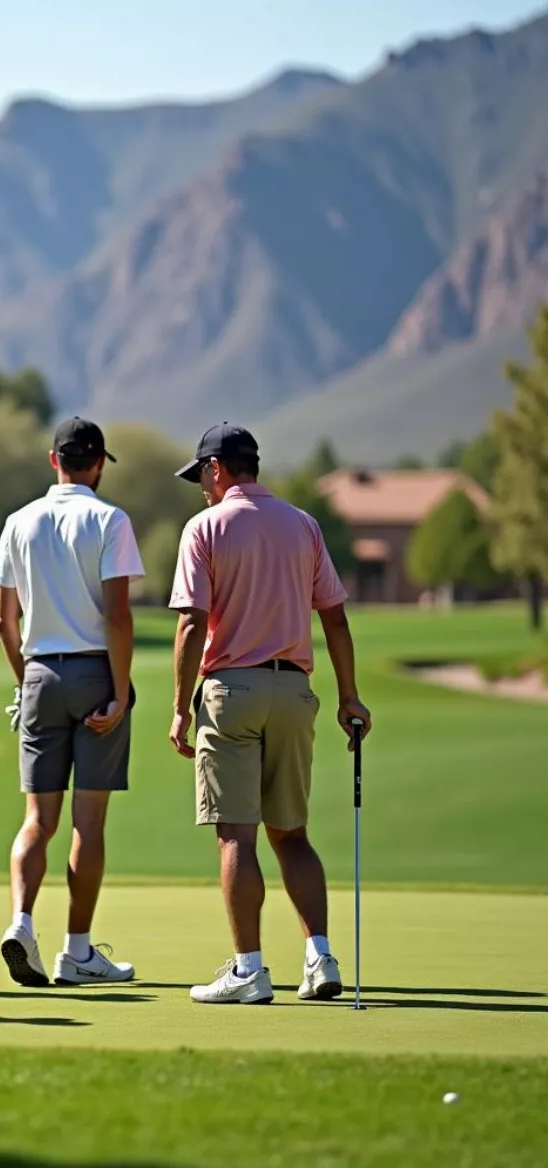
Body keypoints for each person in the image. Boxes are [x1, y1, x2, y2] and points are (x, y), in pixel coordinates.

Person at [167, 423, 372, 1005]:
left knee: (237, 835)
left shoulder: (205, 527)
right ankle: (321, 959)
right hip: (295, 692)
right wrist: (349, 697)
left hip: (231, 691)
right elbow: (334, 617)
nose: (201, 489)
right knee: (293, 835)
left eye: (201, 477)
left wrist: (180, 709)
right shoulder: (303, 525)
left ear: (217, 470)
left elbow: (190, 623)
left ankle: (249, 970)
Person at [0, 418, 144, 987]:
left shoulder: (18, 522)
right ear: (98, 463)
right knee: (88, 823)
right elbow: (119, 616)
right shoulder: (111, 519)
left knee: (38, 820)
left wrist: (24, 680)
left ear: (53, 460)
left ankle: (22, 922)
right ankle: (77, 952)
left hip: (39, 675)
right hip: (96, 672)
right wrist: (121, 692)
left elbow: (5, 622)